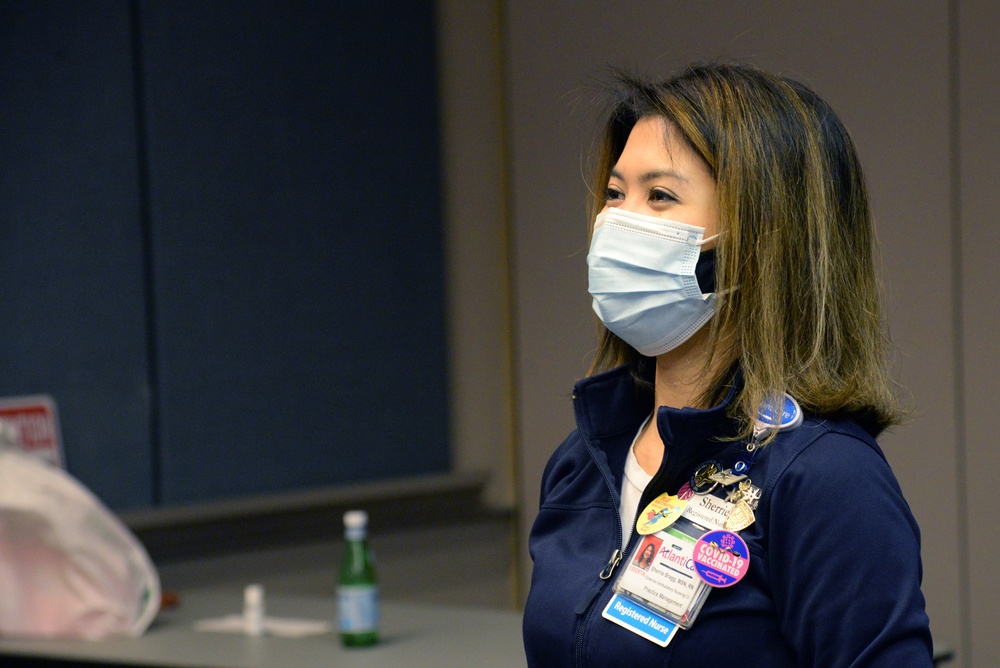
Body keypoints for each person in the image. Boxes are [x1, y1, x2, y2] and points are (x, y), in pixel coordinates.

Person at [522, 62, 933, 666]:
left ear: (761, 237)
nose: (616, 223)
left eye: (659, 196)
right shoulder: (585, 458)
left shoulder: (824, 479)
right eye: (615, 193)